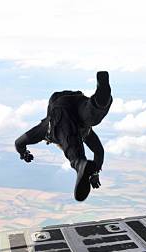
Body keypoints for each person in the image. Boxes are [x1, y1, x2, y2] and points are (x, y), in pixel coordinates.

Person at [15, 71, 112, 202]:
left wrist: (24, 154)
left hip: (60, 110)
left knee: (72, 147)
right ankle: (99, 102)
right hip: (78, 100)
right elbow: (19, 142)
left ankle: (80, 165)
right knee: (91, 115)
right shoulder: (85, 133)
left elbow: (19, 142)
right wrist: (23, 152)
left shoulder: (47, 130)